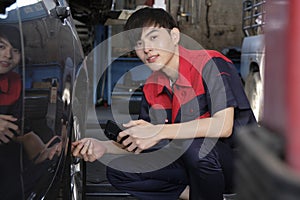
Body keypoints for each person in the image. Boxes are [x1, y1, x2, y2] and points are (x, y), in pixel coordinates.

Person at [72, 7, 257, 200]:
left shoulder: (210, 64)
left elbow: (223, 126)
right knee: (120, 171)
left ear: (174, 36)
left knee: (196, 144)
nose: (146, 48)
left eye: (153, 37)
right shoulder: (151, 87)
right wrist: (103, 146)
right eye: (138, 43)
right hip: (192, 165)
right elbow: (142, 141)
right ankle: (206, 195)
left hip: (237, 165)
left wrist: (159, 130)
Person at [0, 24, 62, 199]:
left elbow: (14, 131)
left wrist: (40, 150)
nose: (8, 55)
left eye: (16, 50)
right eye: (1, 47)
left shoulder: (14, 83)